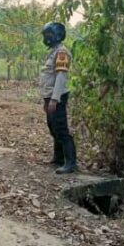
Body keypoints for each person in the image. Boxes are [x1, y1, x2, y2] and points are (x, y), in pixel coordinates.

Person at [39, 22, 78, 174]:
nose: (46, 38)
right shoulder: (52, 51)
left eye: (49, 35)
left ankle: (71, 162)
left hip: (58, 96)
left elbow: (61, 77)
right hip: (49, 96)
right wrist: (46, 100)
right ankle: (58, 157)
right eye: (45, 35)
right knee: (52, 127)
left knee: (61, 128)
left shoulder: (62, 52)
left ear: (57, 35)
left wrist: (55, 99)